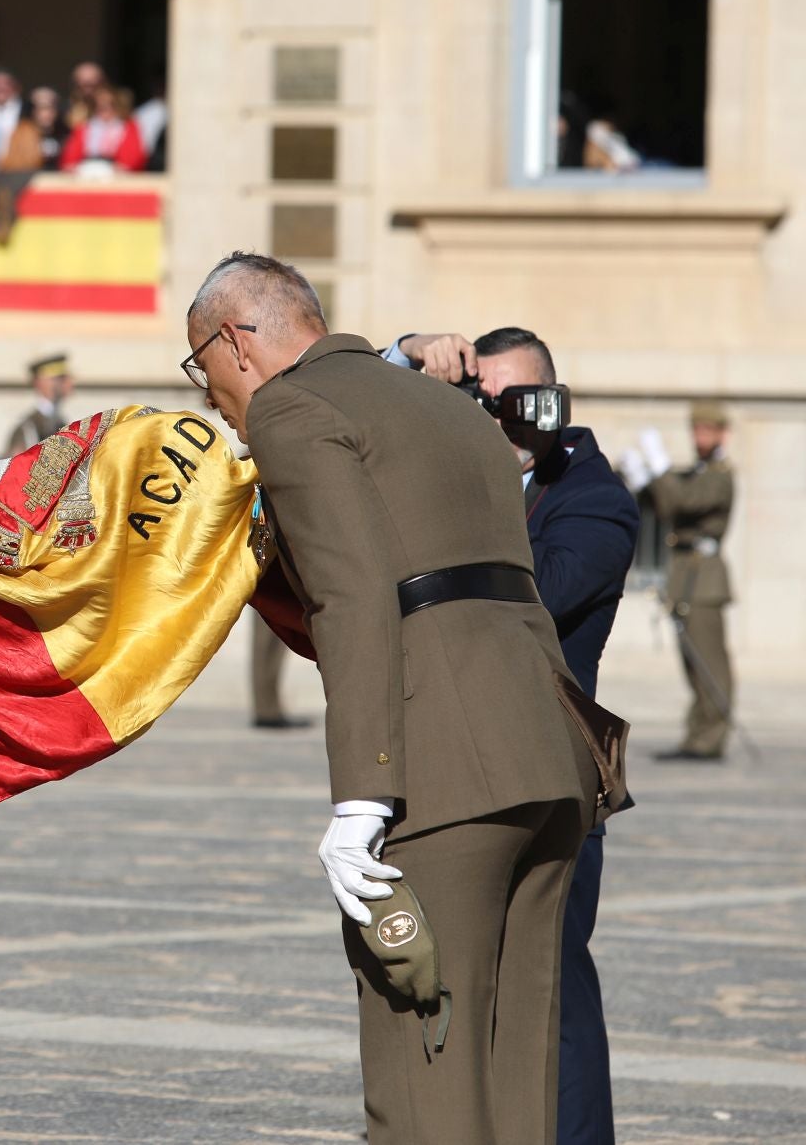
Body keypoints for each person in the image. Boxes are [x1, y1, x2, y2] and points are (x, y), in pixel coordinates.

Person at [183, 252, 598, 1145]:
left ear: (233, 340)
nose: (209, 393)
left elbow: (354, 596)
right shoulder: (444, 406)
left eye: (201, 368)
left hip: (443, 769)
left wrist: (362, 797)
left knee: (424, 1082)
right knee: (517, 1082)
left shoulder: (295, 408)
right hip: (548, 751)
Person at [392, 326, 640, 1145]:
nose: (498, 423)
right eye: (481, 405)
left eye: (515, 403)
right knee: (465, 981)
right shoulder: (467, 474)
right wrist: (408, 358)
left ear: (554, 402)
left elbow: (539, 590)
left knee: (555, 988)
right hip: (464, 768)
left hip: (557, 778)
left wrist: (481, 478)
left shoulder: (592, 498)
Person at [626, 403, 736, 760]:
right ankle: (697, 733)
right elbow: (665, 503)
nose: (700, 436)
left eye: (707, 430)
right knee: (692, 661)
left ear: (722, 433)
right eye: (697, 429)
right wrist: (644, 481)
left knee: (709, 660)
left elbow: (682, 501)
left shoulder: (720, 475)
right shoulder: (698, 472)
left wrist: (658, 468)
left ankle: (712, 736)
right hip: (686, 574)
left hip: (705, 576)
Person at [60, 84, 146, 173]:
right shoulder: (83, 128)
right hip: (86, 174)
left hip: (117, 176)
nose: (105, 107)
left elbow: (134, 159)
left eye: (110, 104)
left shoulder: (128, 127)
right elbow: (69, 161)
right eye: (100, 105)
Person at [3, 353, 73, 454]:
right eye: (60, 378)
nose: (69, 383)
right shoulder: (28, 429)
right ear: (40, 382)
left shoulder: (62, 423)